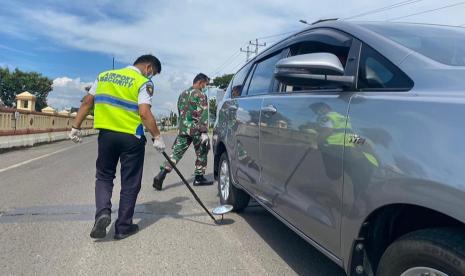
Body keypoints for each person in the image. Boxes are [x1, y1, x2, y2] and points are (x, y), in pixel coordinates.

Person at [69, 54, 166, 240]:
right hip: (132, 137)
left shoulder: (104, 76)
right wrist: (157, 137)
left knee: (104, 176)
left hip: (107, 136)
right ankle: (123, 227)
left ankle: (102, 213)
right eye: (153, 73)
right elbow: (144, 113)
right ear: (148, 68)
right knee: (130, 182)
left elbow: (87, 102)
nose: (151, 77)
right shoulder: (143, 82)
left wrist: (75, 127)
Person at [153, 73, 213, 190]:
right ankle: (199, 178)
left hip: (183, 129)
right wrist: (204, 132)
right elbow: (203, 114)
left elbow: (181, 113)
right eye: (205, 84)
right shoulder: (201, 95)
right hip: (196, 131)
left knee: (176, 154)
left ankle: (162, 174)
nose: (205, 87)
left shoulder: (182, 94)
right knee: (202, 152)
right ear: (201, 82)